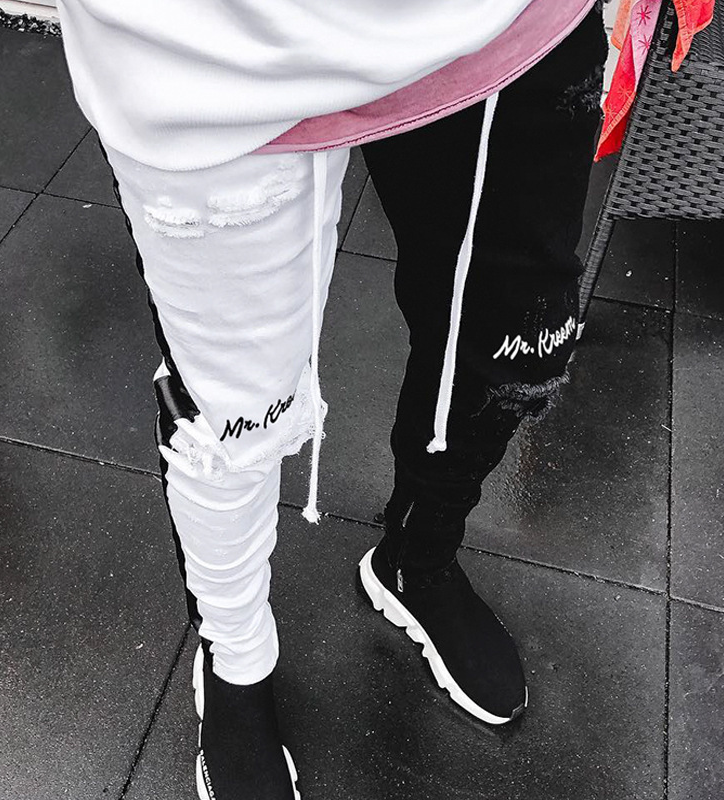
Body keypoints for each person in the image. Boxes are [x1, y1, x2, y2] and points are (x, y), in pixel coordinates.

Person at [54, 1, 609, 797]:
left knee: (509, 345)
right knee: (235, 414)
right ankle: (236, 657)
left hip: (504, 23)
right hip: (215, 54)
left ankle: (417, 561)